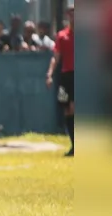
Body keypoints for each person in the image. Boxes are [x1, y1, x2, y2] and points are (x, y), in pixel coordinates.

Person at [46, 5, 74, 157]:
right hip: (65, 76)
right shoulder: (62, 35)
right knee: (66, 109)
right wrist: (49, 74)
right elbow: (55, 56)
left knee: (75, 108)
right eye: (71, 14)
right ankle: (74, 144)